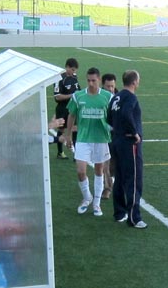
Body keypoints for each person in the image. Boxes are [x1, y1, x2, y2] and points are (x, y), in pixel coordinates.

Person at [65, 67, 113, 217]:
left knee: (99, 171)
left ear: (99, 80)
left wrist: (111, 128)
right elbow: (71, 115)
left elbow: (114, 117)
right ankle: (87, 198)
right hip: (83, 139)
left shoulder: (108, 97)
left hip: (101, 139)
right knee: (80, 171)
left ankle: (97, 204)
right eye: (88, 80)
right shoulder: (78, 96)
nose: (91, 83)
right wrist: (68, 135)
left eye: (94, 80)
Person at [108, 70, 147, 229]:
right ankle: (134, 217)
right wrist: (134, 133)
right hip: (129, 143)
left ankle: (119, 212)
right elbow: (126, 113)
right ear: (134, 82)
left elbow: (108, 117)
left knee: (120, 177)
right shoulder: (131, 97)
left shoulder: (116, 97)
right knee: (134, 179)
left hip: (116, 140)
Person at [54, 58, 80, 159]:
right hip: (62, 108)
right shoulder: (59, 78)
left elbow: (78, 88)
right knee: (61, 129)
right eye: (72, 69)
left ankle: (76, 154)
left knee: (75, 129)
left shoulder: (74, 76)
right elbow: (57, 96)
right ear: (67, 67)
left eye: (75, 70)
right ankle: (60, 152)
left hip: (73, 107)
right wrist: (72, 95)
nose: (74, 72)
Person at [101, 73, 118, 199]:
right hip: (103, 136)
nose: (111, 89)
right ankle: (107, 189)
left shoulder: (119, 97)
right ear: (103, 85)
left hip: (116, 136)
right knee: (104, 164)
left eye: (112, 86)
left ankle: (111, 184)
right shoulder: (99, 97)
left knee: (114, 164)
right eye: (108, 86)